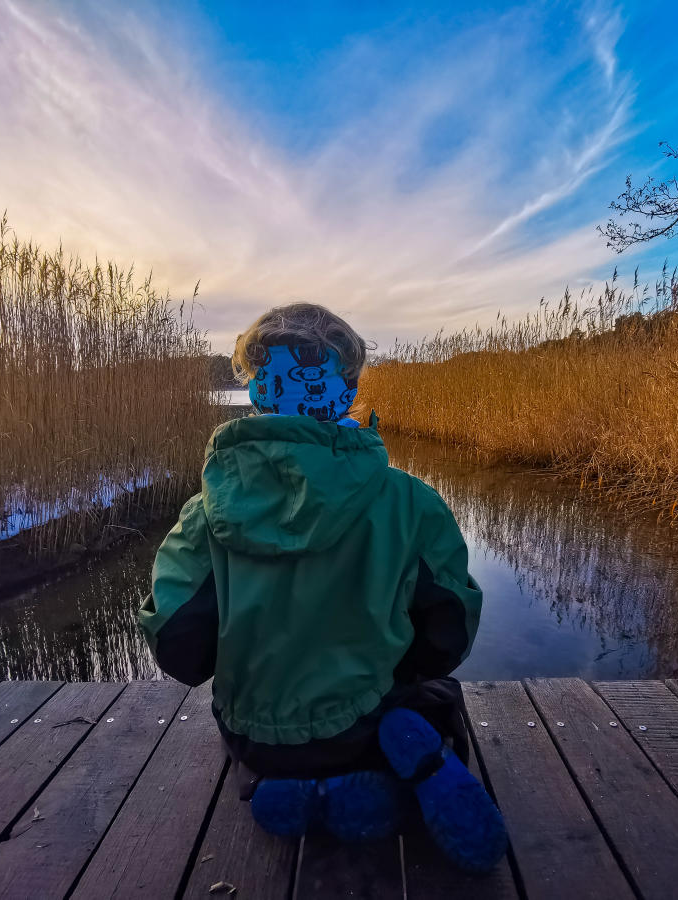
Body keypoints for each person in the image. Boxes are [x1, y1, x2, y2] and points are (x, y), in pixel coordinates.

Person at [139, 302, 508, 873]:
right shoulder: (410, 502)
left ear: (258, 391)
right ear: (350, 388)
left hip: (253, 736)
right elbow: (450, 633)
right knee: (432, 701)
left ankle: (281, 786)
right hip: (363, 723)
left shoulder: (204, 513)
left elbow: (180, 650)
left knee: (271, 748)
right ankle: (412, 765)